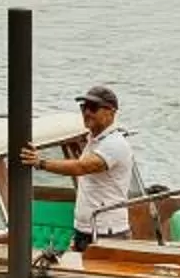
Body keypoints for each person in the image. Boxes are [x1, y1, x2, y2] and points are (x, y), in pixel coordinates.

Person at [48, 83, 142, 252]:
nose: (86, 112)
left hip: (108, 232)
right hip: (84, 230)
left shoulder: (115, 144)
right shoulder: (93, 140)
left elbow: (81, 167)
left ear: (111, 112)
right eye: (83, 107)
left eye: (93, 107)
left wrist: (41, 163)